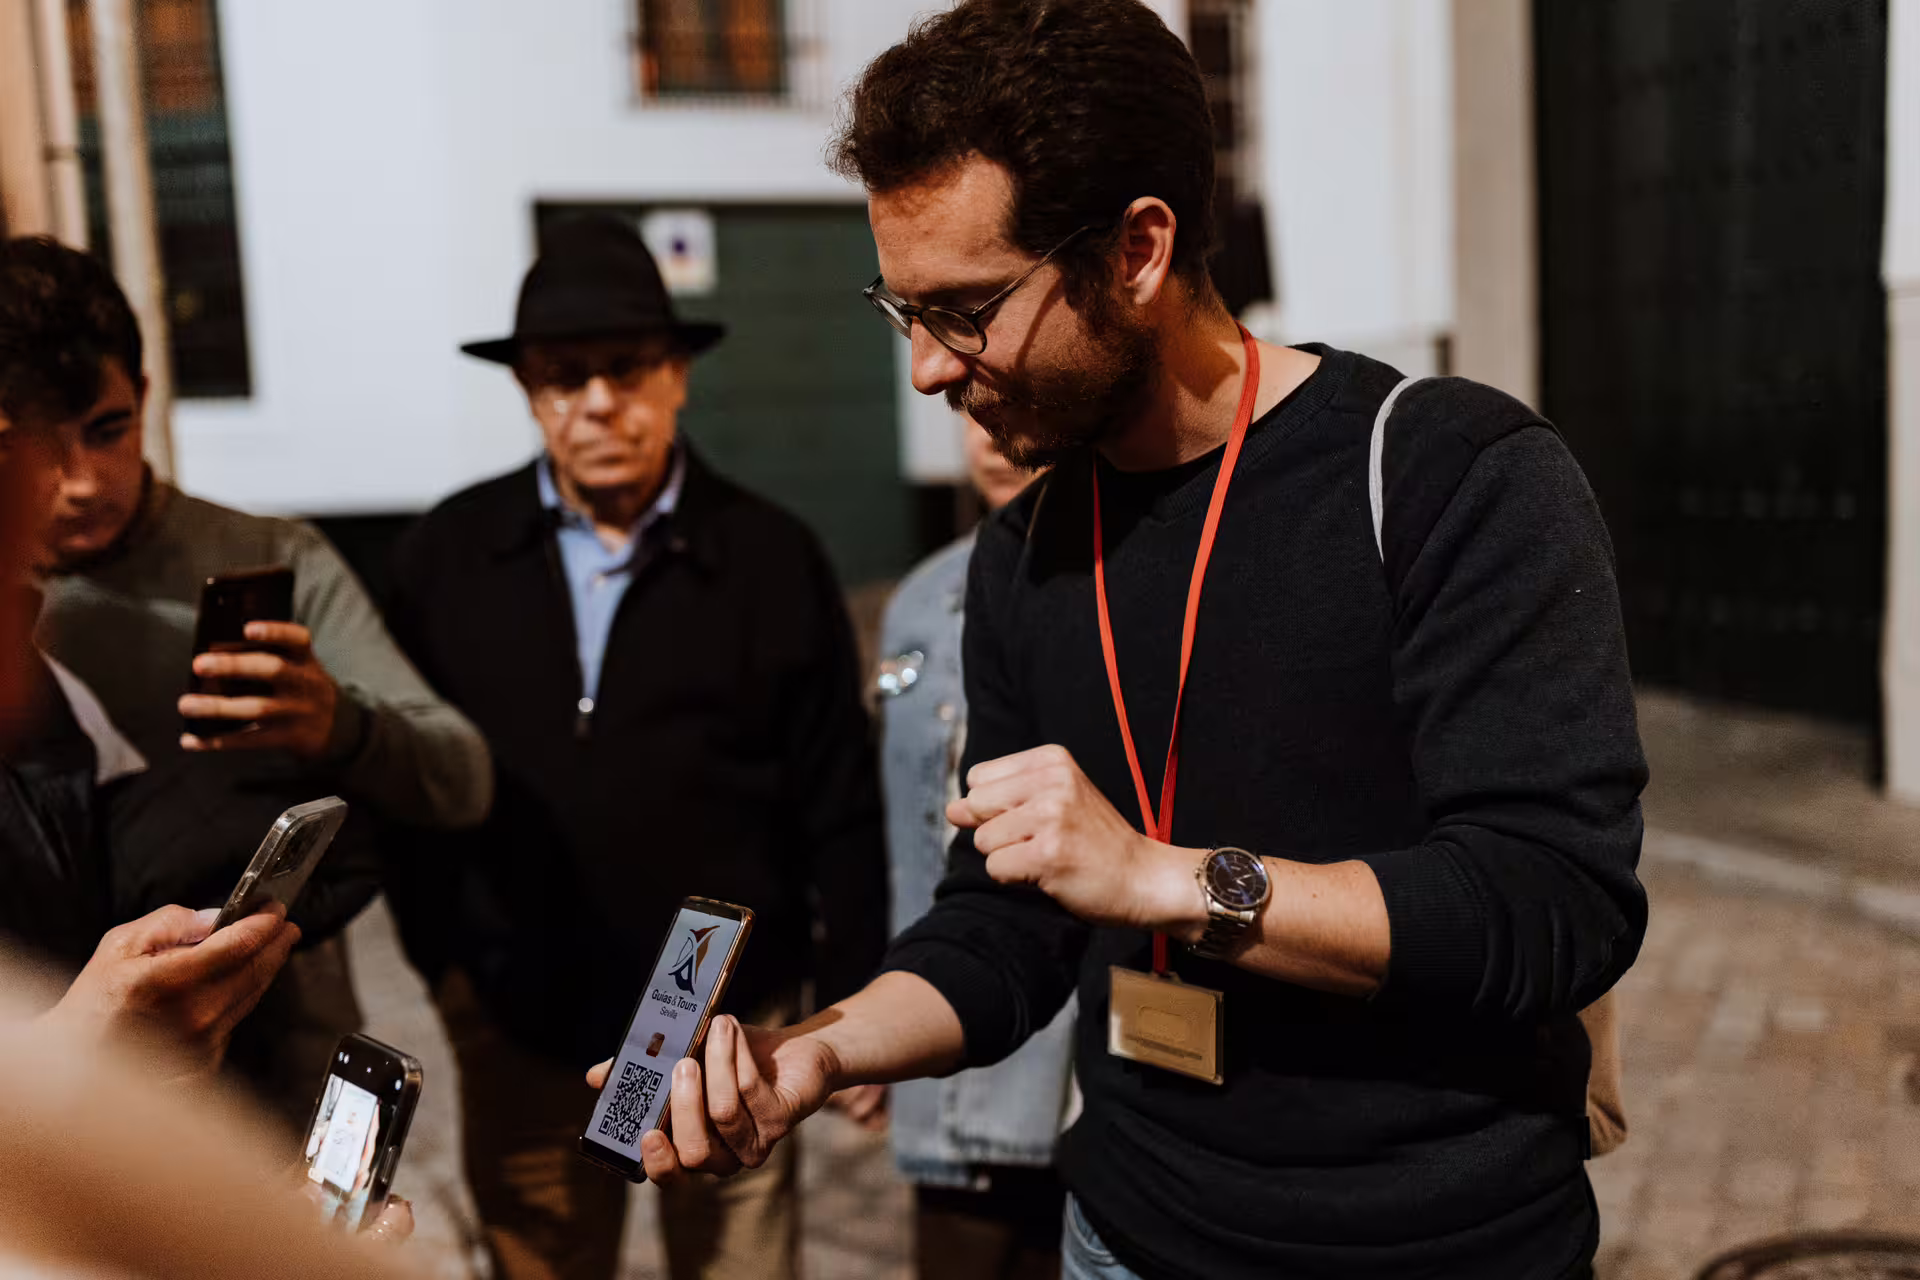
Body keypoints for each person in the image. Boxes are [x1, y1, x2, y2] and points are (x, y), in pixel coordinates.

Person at [593, 3, 1650, 1279]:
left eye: (967, 307)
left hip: (1435, 1248)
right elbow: (1003, 928)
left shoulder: (1447, 473)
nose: (928, 369)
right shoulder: (1024, 551)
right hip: (1123, 1242)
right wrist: (813, 1054)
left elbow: (1553, 900)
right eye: (902, 309)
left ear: (1140, 248)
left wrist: (1170, 878)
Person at [384, 214, 888, 1280]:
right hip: (525, 1021)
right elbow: (406, 780)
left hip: (728, 1031)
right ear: (529, 390)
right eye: (565, 376)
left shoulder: (769, 554)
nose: (599, 401)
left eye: (625, 366)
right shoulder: (447, 554)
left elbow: (839, 796)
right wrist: (454, 971)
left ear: (677, 376)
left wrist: (849, 998)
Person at [6, 236, 493, 1131]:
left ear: (146, 398)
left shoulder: (271, 557)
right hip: (58, 1088)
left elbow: (462, 777)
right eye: (41, 446)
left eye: (106, 430)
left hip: (282, 1060)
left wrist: (337, 725)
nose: (78, 483)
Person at [880, 418, 1070, 1280]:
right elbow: (895, 835)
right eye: (969, 412)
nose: (995, 435)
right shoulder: (919, 599)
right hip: (949, 1035)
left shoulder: (1128, 586)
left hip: (1079, 1063)